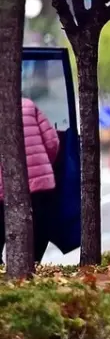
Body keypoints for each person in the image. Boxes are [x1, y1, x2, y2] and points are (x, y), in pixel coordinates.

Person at [0, 98, 60, 263]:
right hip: (40, 184)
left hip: (4, 188)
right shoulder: (27, 104)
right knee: (40, 228)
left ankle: (11, 273)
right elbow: (52, 141)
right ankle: (32, 266)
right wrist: (43, 166)